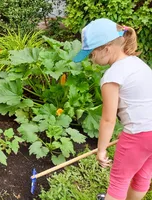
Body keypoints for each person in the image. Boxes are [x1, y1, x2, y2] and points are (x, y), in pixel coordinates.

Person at [73, 18, 152, 200]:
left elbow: (108, 120)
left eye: (91, 54)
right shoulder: (138, 64)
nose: (91, 60)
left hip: (138, 135)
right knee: (143, 174)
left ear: (106, 49)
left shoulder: (112, 76)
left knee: (119, 181)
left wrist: (101, 150)